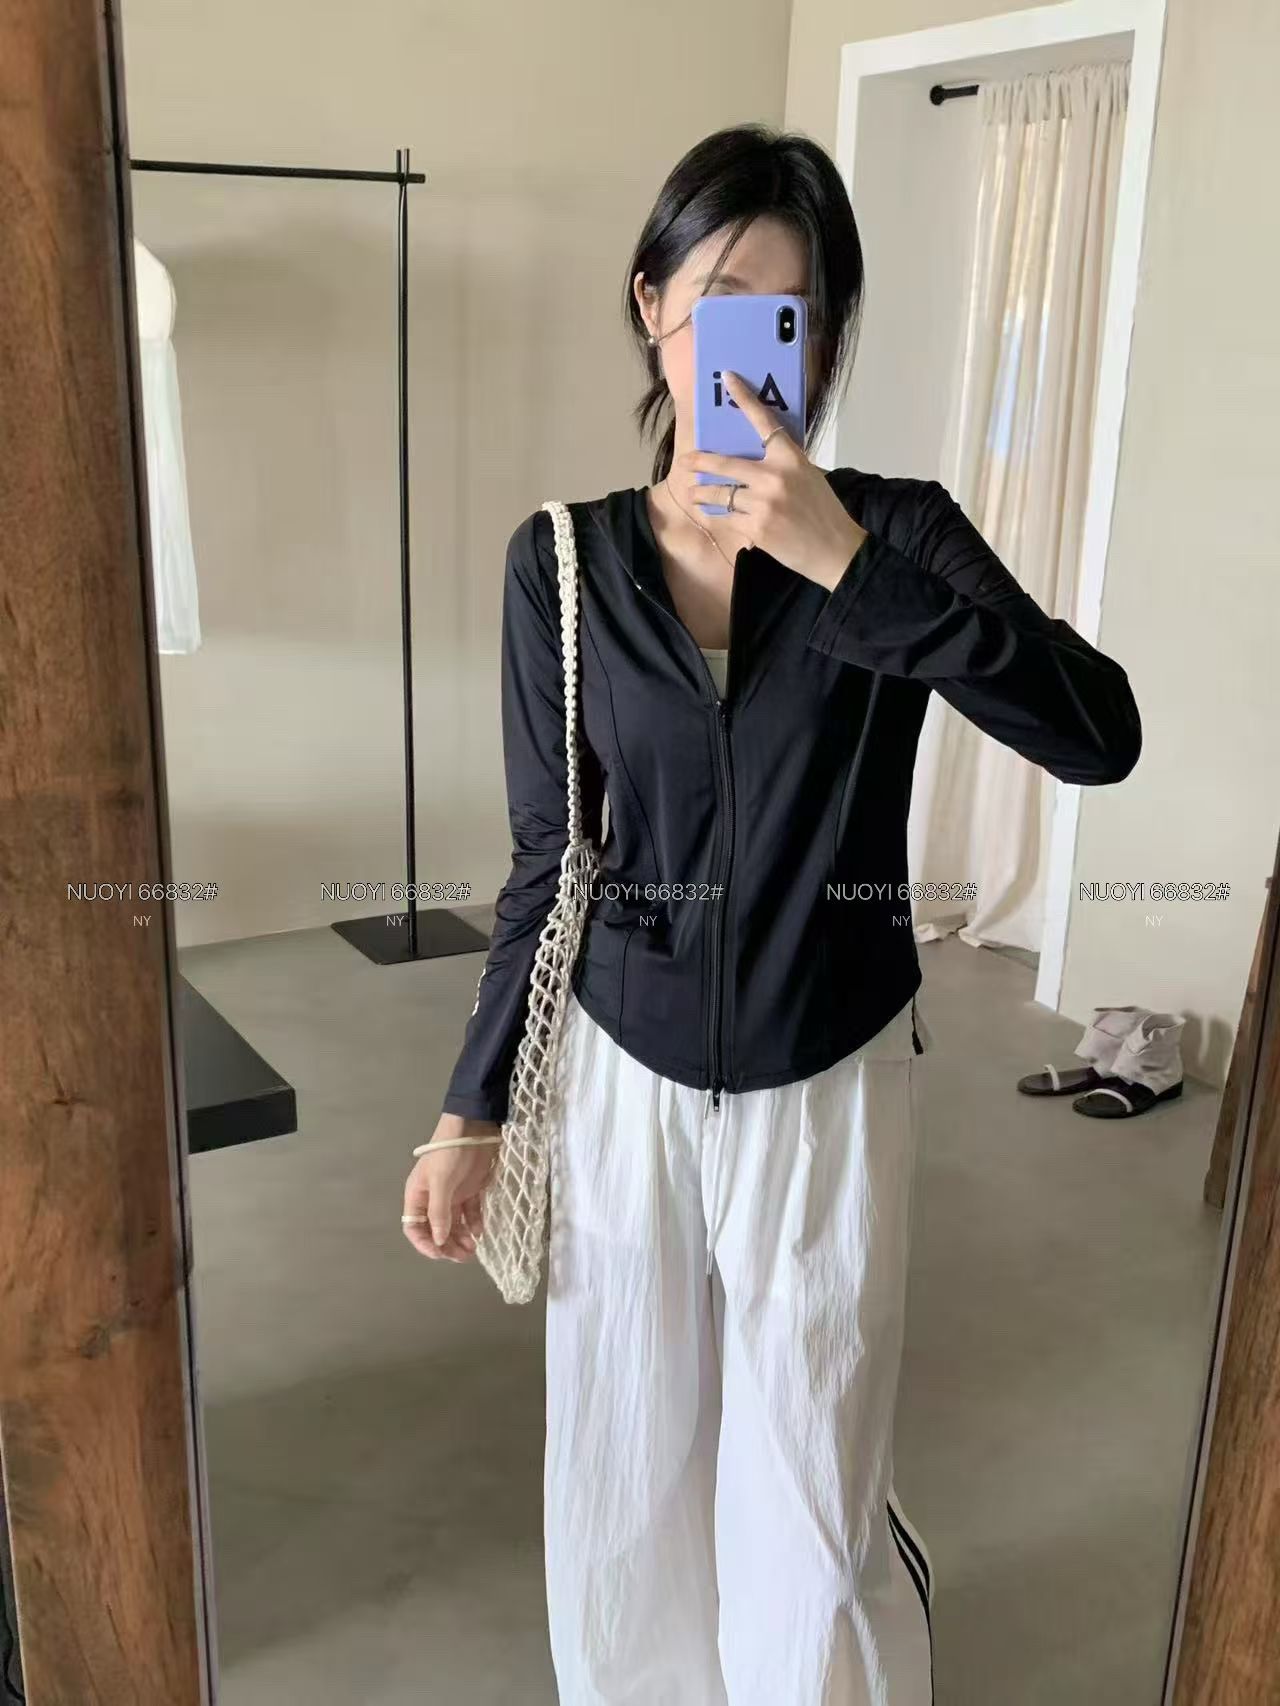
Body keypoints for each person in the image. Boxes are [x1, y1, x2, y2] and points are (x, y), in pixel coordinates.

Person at [402, 123, 1141, 1704]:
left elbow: (1099, 731)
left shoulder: (898, 532)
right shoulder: (564, 563)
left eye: (792, 313)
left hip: (833, 1072)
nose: (754, 343)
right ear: (652, 301)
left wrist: (848, 567)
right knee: (623, 1474)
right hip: (626, 1075)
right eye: (723, 295)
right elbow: (548, 859)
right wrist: (471, 1109)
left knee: (809, 1483)